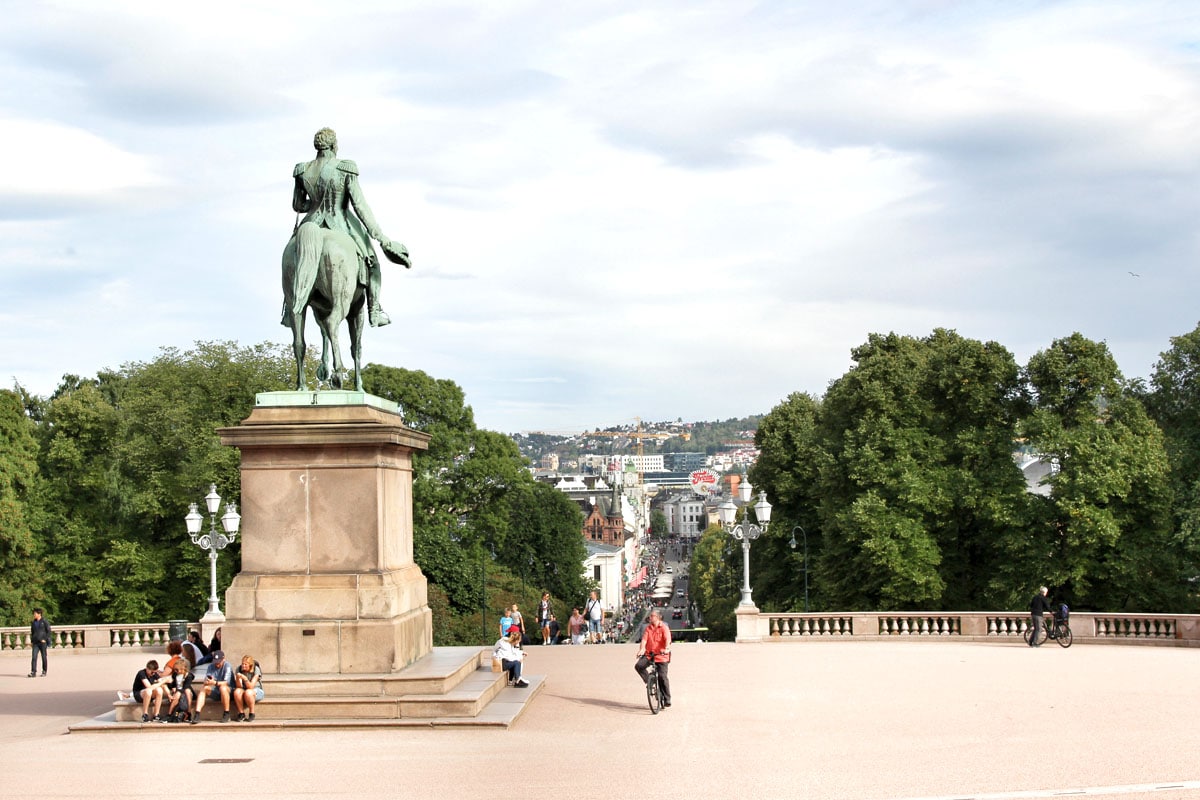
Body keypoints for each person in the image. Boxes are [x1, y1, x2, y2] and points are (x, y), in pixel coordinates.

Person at [284, 127, 407, 328]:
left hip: (310, 222)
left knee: (296, 259)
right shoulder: (345, 168)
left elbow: (298, 205)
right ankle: (374, 311)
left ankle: (289, 313)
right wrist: (380, 236)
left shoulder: (302, 170)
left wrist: (313, 204)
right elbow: (359, 205)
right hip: (341, 221)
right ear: (334, 145)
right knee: (372, 262)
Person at [635, 609, 673, 708]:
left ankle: (667, 698)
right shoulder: (648, 628)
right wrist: (642, 649)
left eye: (652, 616)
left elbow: (667, 639)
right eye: (650, 616)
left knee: (662, 676)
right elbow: (644, 640)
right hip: (650, 654)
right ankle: (649, 682)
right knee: (639, 666)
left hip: (661, 655)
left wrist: (666, 648)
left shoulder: (664, 627)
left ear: (658, 617)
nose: (650, 618)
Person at [192, 650, 235, 723]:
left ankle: (226, 713)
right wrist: (207, 681)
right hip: (217, 691)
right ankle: (197, 714)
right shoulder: (211, 666)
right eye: (215, 662)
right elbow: (207, 678)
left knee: (223, 688)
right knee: (204, 688)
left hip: (228, 691)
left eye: (219, 662)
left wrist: (214, 682)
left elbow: (226, 683)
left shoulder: (227, 666)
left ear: (223, 659)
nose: (217, 664)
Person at [233, 654, 264, 723]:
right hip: (244, 689)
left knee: (248, 692)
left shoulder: (256, 669)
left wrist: (245, 678)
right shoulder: (239, 669)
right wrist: (238, 679)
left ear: (250, 665)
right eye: (242, 664)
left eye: (245, 664)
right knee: (237, 691)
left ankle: (251, 713)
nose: (243, 666)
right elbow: (239, 687)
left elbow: (251, 686)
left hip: (256, 690)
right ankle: (241, 713)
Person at [28, 608, 50, 678]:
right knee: (34, 657)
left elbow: (48, 631)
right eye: (34, 613)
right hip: (35, 642)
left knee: (44, 657)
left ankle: (44, 671)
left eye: (35, 613)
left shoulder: (44, 621)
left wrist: (45, 639)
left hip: (42, 642)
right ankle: (33, 672)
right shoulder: (33, 622)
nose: (34, 615)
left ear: (39, 614)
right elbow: (32, 632)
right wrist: (32, 641)